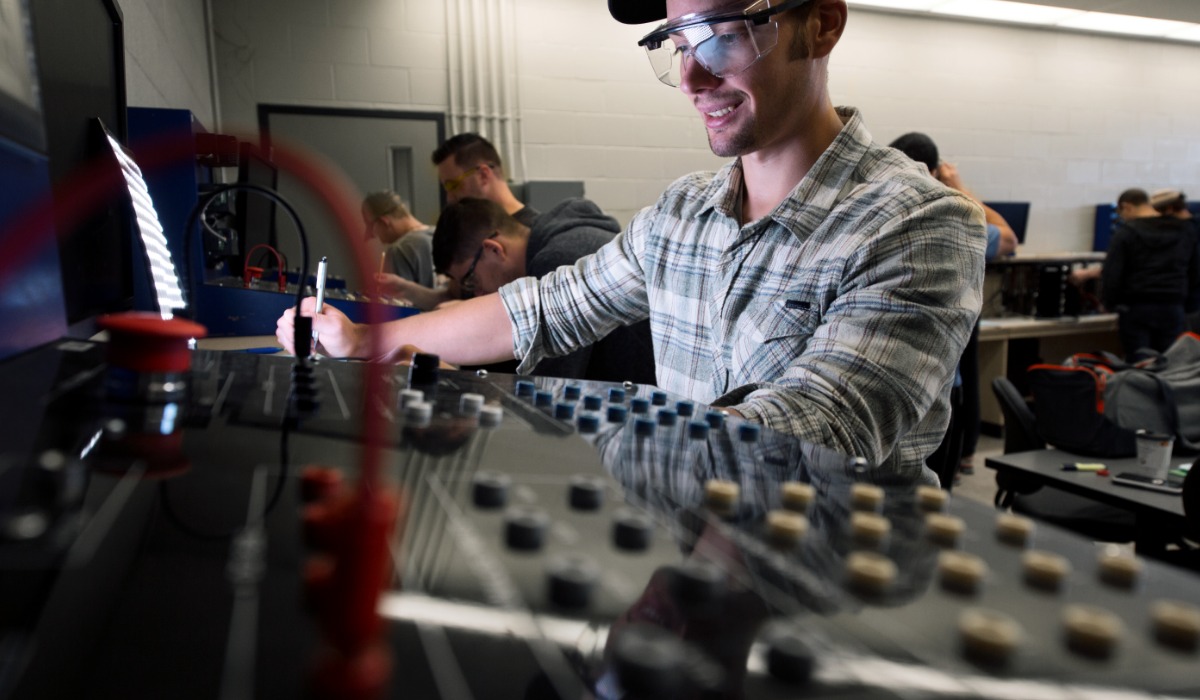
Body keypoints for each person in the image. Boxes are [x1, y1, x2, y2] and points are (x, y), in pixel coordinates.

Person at [278, 0, 986, 485]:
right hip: (696, 556)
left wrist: (606, 447)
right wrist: (365, 339)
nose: (691, 77)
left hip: (834, 604)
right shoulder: (681, 214)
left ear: (823, 24)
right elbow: (542, 308)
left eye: (722, 33)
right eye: (677, 42)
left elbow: (814, 426)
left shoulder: (915, 225)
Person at [888, 131, 1015, 484]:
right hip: (940, 381)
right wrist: (958, 186)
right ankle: (964, 459)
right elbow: (1008, 238)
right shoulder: (957, 216)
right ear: (933, 170)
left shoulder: (879, 213)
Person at [433, 197, 656, 384]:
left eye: (472, 280)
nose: (478, 294)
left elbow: (550, 387)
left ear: (493, 250)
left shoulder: (557, 260)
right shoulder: (560, 237)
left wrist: (462, 381)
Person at [1102, 188, 1200, 359]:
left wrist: (1110, 304)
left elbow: (1112, 274)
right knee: (1169, 363)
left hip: (1137, 307)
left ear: (1127, 207)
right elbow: (1195, 271)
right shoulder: (1184, 232)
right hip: (1173, 306)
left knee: (1139, 363)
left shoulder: (1127, 233)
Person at [360, 191, 450, 311]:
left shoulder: (400, 249)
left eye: (370, 226)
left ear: (384, 221)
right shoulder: (440, 234)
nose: (369, 235)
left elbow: (400, 310)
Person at [432, 133, 539, 227]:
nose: (450, 198)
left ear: (483, 175)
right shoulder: (473, 233)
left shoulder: (538, 233)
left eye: (453, 185)